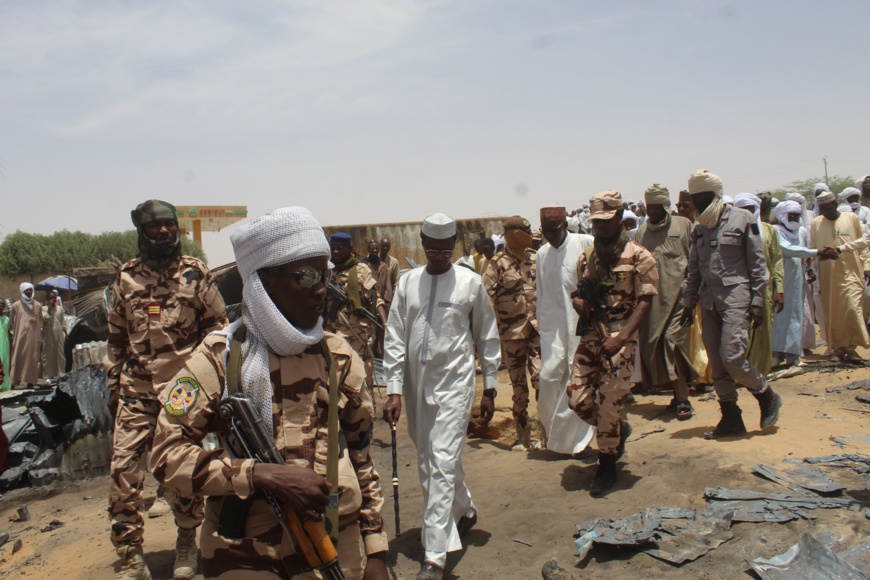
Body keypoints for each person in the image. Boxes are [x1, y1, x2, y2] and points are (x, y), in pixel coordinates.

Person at [151, 207, 389, 580]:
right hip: (244, 554)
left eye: (324, 275)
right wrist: (259, 475)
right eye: (307, 276)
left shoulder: (337, 357)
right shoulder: (221, 358)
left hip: (332, 543)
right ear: (266, 282)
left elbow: (361, 455)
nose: (321, 289)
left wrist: (376, 548)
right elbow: (166, 456)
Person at [105, 199, 228, 580]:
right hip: (137, 387)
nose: (163, 231)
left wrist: (214, 387)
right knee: (123, 467)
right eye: (154, 226)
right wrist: (113, 387)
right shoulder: (126, 278)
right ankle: (130, 554)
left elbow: (218, 332)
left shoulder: (196, 273)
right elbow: (115, 339)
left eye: (169, 225)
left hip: (184, 390)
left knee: (183, 467)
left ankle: (186, 541)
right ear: (141, 232)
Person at [382, 213, 500, 580]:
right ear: (422, 244)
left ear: (453, 246)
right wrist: (394, 389)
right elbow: (395, 335)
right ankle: (465, 511)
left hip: (455, 382)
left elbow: (486, 335)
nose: (438, 256)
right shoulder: (407, 282)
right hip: (416, 384)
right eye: (431, 250)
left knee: (442, 460)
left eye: (444, 250)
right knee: (428, 456)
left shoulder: (470, 283)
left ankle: (434, 555)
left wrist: (490, 385)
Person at [679, 170, 782, 440]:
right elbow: (694, 269)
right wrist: (688, 303)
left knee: (732, 355)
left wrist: (757, 301)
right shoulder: (699, 227)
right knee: (717, 363)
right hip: (709, 301)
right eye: (693, 197)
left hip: (737, 298)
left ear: (713, 195)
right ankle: (731, 417)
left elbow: (758, 265)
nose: (695, 202)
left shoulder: (742, 219)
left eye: (699, 197)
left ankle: (765, 394)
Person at [567, 190, 657, 495]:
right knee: (577, 399)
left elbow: (645, 301)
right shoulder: (587, 256)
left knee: (608, 404)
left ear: (619, 216)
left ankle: (606, 463)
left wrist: (622, 337)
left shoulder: (639, 256)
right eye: (596, 220)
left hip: (621, 337)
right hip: (591, 335)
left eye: (606, 219)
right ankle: (618, 430)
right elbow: (579, 291)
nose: (601, 225)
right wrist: (578, 302)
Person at [535, 206, 595, 455]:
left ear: (564, 226)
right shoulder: (542, 254)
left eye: (554, 230)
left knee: (578, 380)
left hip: (581, 325)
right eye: (545, 231)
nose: (550, 236)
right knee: (548, 378)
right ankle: (554, 436)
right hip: (553, 328)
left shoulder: (585, 243)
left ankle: (578, 443)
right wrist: (543, 328)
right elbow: (541, 294)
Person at [635, 184, 696, 419]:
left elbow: (694, 260)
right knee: (653, 346)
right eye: (649, 207)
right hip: (654, 302)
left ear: (665, 206)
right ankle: (675, 395)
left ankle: (683, 399)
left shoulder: (683, 225)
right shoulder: (642, 232)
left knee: (673, 343)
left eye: (656, 207)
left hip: (680, 300)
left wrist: (693, 294)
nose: (652, 212)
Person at [482, 216, 541, 450]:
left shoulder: (535, 258)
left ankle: (546, 431)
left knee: (542, 379)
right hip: (512, 334)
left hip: (537, 329)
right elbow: (483, 296)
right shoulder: (497, 264)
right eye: (524, 232)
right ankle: (523, 434)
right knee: (519, 387)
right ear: (512, 235)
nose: (529, 235)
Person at [810, 192, 870, 361]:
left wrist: (867, 265)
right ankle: (837, 348)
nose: (825, 212)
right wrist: (813, 263)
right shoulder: (816, 223)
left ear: (835, 205)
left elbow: (862, 245)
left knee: (852, 308)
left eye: (828, 208)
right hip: (828, 276)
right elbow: (813, 249)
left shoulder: (851, 218)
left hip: (851, 273)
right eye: (821, 209)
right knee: (833, 313)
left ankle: (851, 347)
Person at [325, 233, 388, 390]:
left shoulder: (361, 270)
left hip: (357, 333)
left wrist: (384, 322)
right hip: (332, 332)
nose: (336, 251)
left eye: (340, 248)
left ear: (350, 248)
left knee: (361, 377)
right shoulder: (326, 270)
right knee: (334, 378)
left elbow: (375, 298)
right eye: (333, 248)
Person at [733, 193, 784, 377]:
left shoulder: (769, 230)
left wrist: (780, 289)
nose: (747, 213)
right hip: (739, 288)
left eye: (750, 209)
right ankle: (741, 371)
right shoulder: (731, 230)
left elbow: (776, 260)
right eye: (743, 210)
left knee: (763, 330)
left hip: (765, 289)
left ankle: (760, 370)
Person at [771, 200, 822, 373]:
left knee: (795, 316)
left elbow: (803, 254)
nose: (794, 218)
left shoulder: (801, 231)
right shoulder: (775, 231)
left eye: (796, 215)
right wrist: (817, 252)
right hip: (780, 282)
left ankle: (793, 355)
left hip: (797, 280)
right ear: (781, 215)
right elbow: (788, 250)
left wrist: (809, 268)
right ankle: (776, 354)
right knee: (779, 318)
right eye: (791, 215)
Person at [9, 283, 42, 389]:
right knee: (18, 357)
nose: (29, 292)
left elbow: (40, 321)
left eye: (30, 290)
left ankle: (31, 382)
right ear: (22, 291)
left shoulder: (37, 305)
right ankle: (14, 382)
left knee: (32, 358)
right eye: (26, 290)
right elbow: (11, 322)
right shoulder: (16, 305)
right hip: (20, 336)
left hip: (33, 336)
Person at [42, 290, 67, 379]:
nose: (53, 299)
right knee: (49, 354)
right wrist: (49, 308)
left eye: (54, 298)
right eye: (51, 298)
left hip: (59, 332)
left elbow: (63, 322)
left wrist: (66, 332)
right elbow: (45, 318)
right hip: (48, 333)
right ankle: (48, 375)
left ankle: (61, 373)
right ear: (47, 299)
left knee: (60, 353)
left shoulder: (60, 309)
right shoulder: (44, 309)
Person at [0, 301, 11, 392]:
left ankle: (4, 384)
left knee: (5, 363)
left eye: (3, 304)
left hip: (5, 343)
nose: (1, 305)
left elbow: (8, 332)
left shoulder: (7, 319)